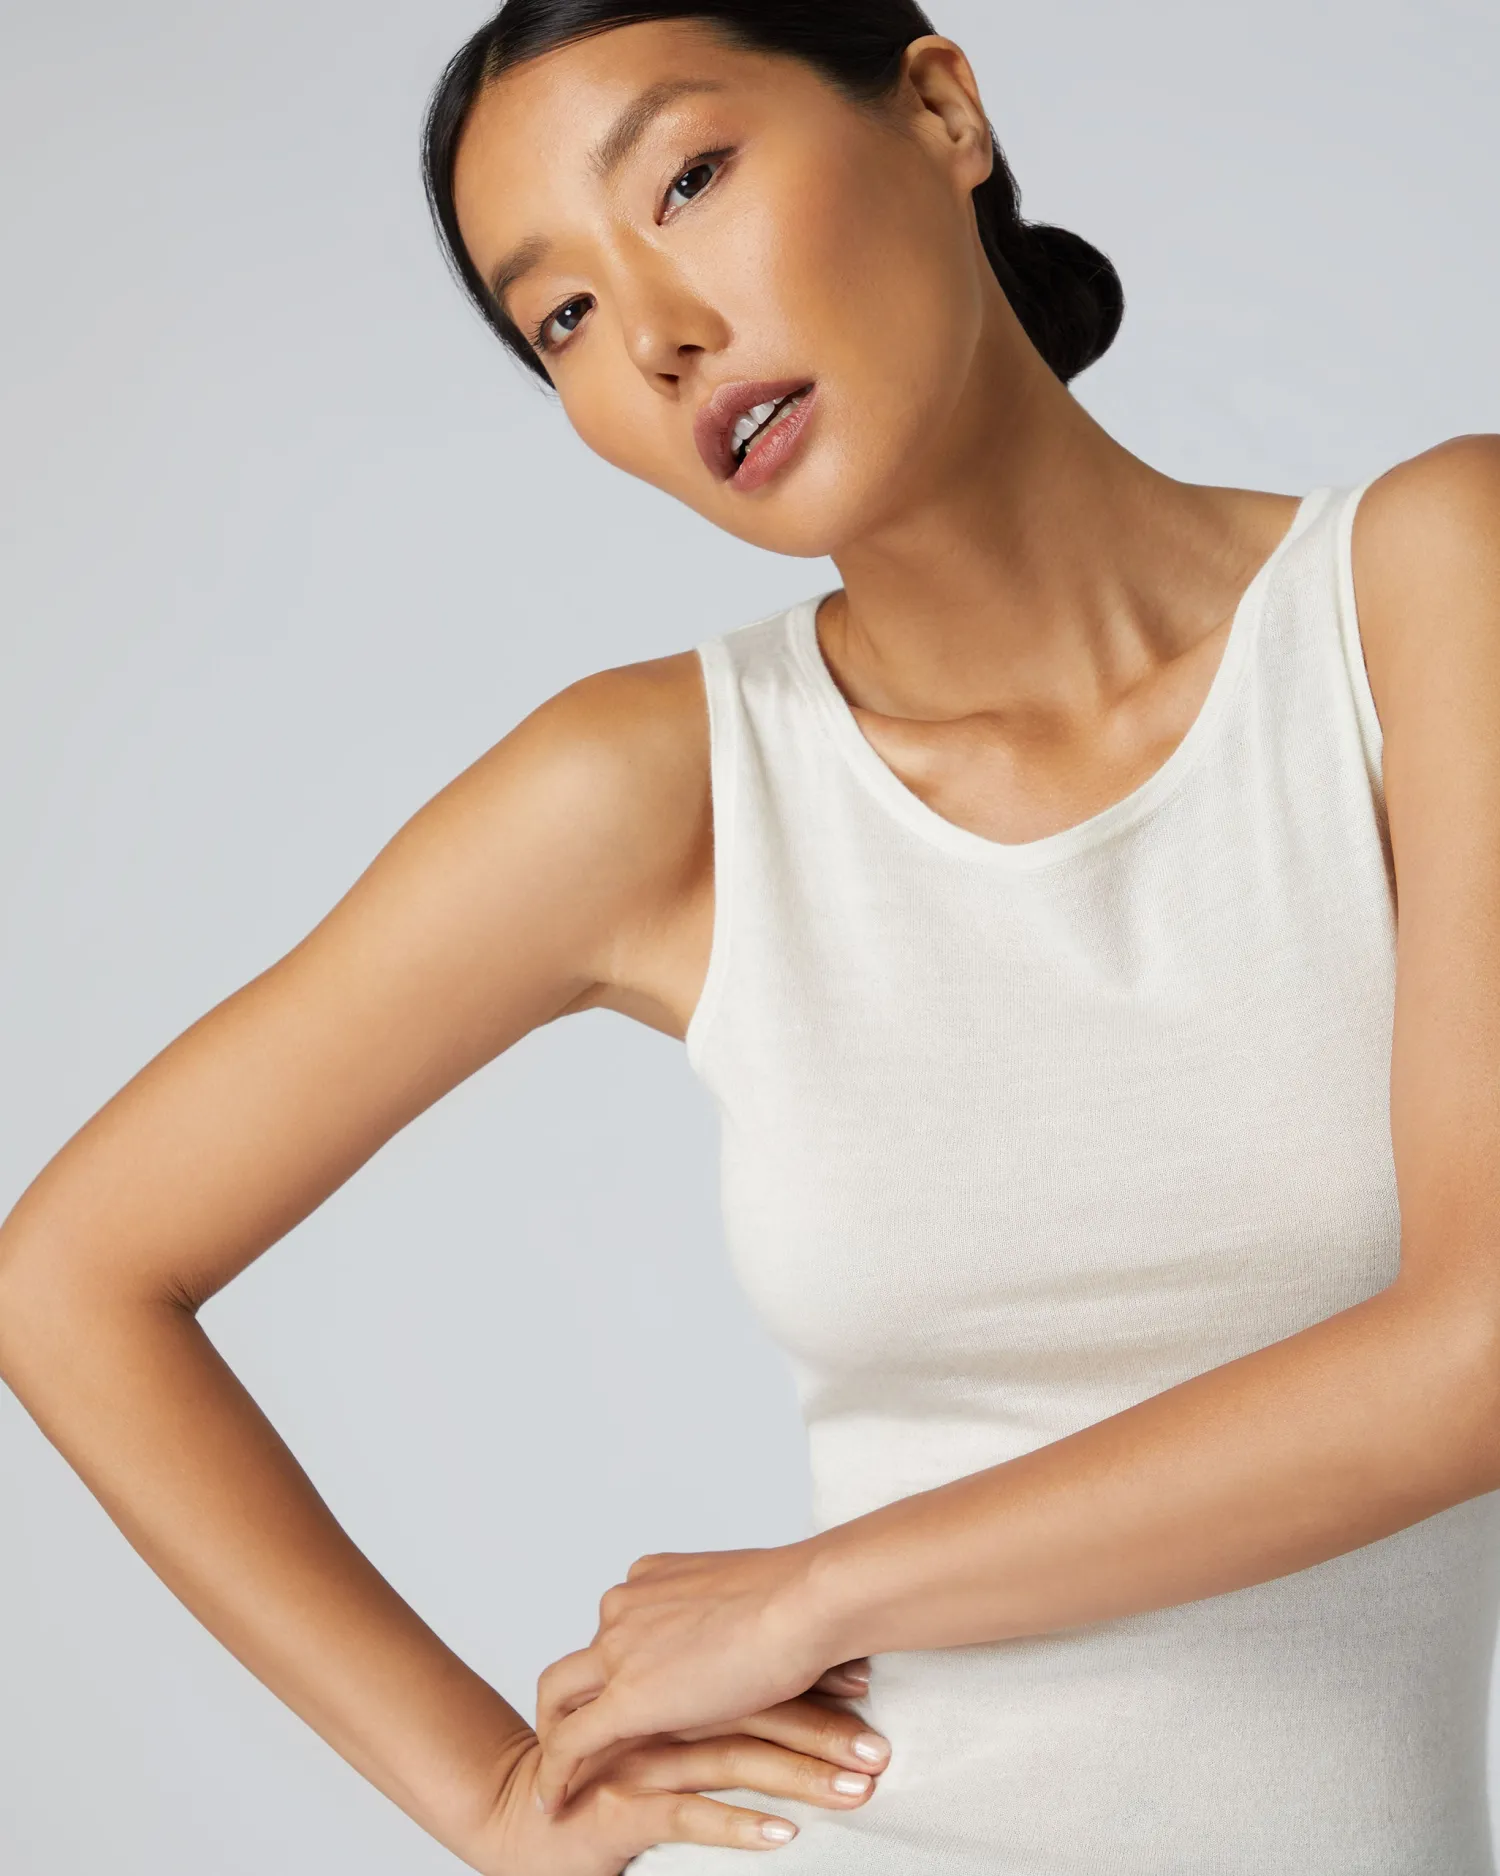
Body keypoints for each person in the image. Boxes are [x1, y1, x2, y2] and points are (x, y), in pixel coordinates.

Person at [3, 1, 1499, 1870]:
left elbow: (1477, 1357)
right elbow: (70, 1278)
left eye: (689, 179)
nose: (653, 330)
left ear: (940, 110)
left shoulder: (1429, 588)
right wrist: (491, 1798)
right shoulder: (669, 788)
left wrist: (812, 1594)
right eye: (560, 315)